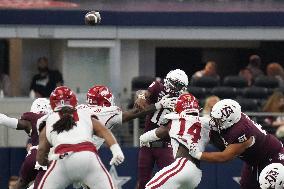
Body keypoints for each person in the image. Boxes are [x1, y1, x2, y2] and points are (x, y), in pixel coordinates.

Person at [36, 86, 124, 189]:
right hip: (87, 156)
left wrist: (45, 163)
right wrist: (116, 150)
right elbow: (103, 131)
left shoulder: (48, 119)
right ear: (74, 100)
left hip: (62, 160)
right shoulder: (85, 113)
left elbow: (41, 150)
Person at [188, 99, 284, 189]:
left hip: (272, 157)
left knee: (270, 185)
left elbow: (224, 157)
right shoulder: (232, 119)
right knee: (246, 185)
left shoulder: (241, 132)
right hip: (254, 159)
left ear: (229, 121)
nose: (214, 121)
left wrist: (197, 154)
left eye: (217, 120)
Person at [139, 93, 210, 188]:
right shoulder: (205, 123)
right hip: (196, 174)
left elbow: (146, 137)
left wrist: (143, 140)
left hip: (183, 166)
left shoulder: (174, 121)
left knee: (150, 187)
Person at [134, 69, 188, 189]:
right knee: (143, 182)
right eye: (176, 84)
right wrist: (142, 97)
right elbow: (143, 93)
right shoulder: (158, 87)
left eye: (180, 86)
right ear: (168, 81)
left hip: (166, 144)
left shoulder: (183, 100)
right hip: (147, 144)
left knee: (170, 181)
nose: (177, 88)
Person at [77, 85, 176, 149]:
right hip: (85, 155)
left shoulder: (79, 108)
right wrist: (159, 105)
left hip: (65, 150)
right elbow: (135, 113)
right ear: (104, 102)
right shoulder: (106, 112)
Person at [0, 98, 50, 189]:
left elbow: (8, 121)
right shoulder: (57, 118)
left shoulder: (30, 120)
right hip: (52, 155)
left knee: (22, 183)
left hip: (35, 155)